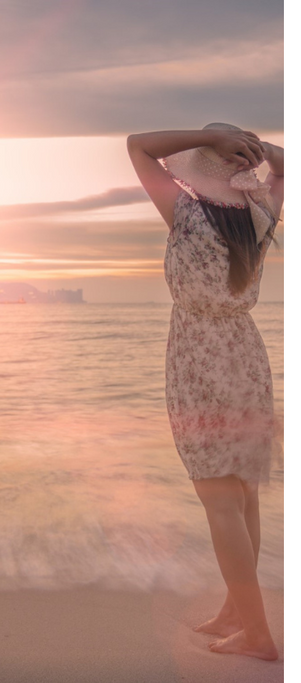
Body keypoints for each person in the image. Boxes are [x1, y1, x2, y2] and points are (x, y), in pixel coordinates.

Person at [127, 123, 282, 661]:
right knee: (243, 494)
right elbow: (285, 169)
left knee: (220, 499)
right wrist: (258, 154)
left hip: (200, 358)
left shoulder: (187, 215)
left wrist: (210, 135)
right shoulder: (261, 216)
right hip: (246, 352)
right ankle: (238, 610)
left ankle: (259, 633)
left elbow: (137, 145)